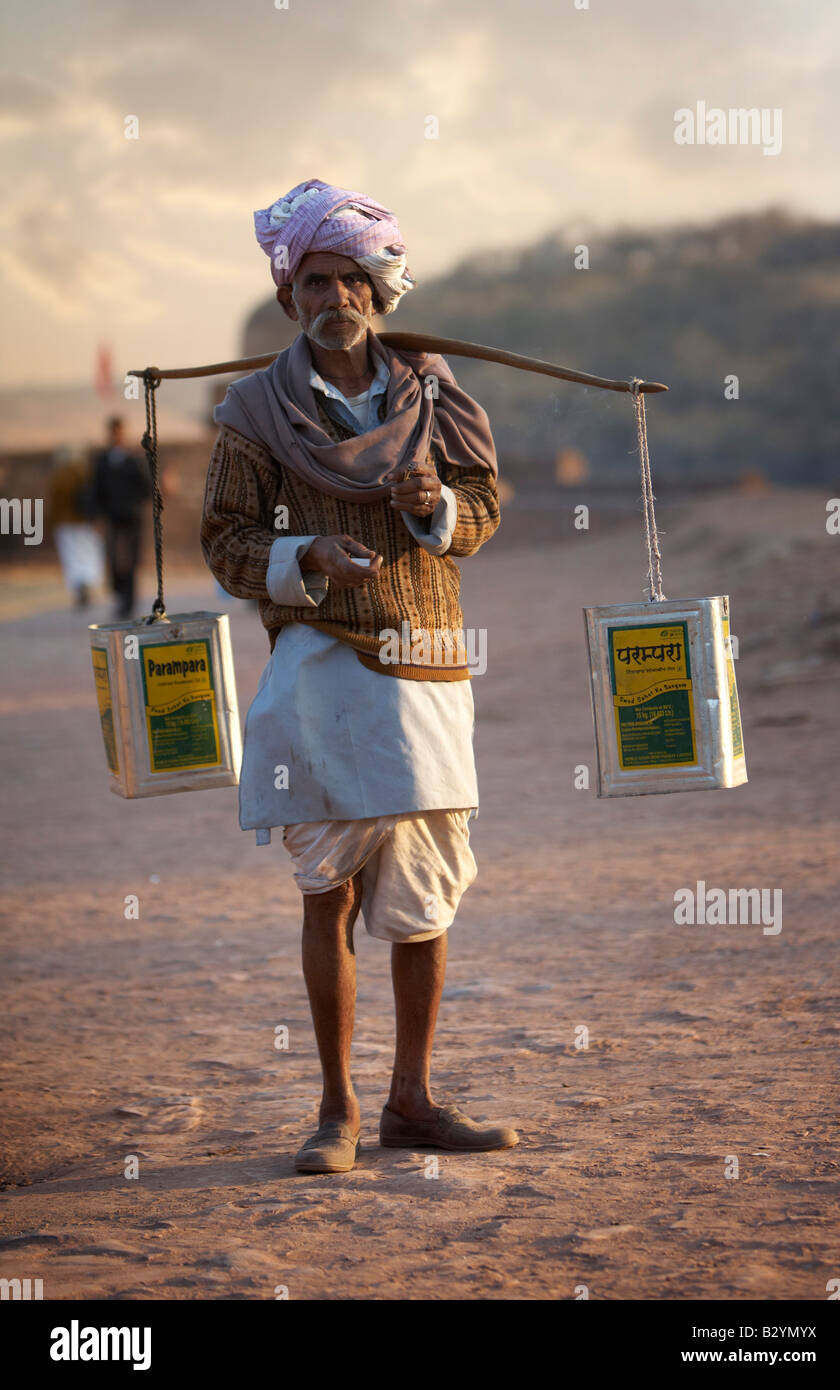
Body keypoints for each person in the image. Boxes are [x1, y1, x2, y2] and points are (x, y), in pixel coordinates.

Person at [201, 178, 517, 1173]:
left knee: (426, 899)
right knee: (325, 889)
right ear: (290, 291)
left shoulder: (430, 389)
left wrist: (434, 505)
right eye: (314, 278)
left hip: (426, 670)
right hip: (318, 672)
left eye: (352, 276)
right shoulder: (254, 409)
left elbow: (483, 507)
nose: (334, 294)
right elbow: (223, 538)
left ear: (382, 288)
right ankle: (335, 1110)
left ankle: (410, 1101)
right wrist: (308, 557)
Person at [91, 416, 151, 619]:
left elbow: (146, 487)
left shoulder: (133, 459)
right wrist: (97, 516)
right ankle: (119, 593)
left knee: (131, 560)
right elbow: (97, 490)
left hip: (132, 517)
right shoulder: (103, 461)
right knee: (114, 559)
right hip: (112, 517)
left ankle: (129, 601)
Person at [47, 445, 104, 609]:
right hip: (83, 520)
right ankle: (87, 581)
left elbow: (55, 502)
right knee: (87, 552)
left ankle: (78, 585)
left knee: (71, 555)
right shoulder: (84, 473)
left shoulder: (58, 476)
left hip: (65, 521)